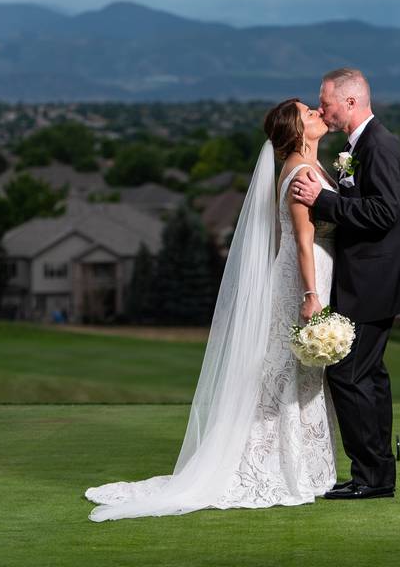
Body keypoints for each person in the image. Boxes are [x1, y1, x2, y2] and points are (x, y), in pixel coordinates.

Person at [84, 98, 339, 521]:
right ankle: (281, 467)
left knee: (298, 369)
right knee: (285, 370)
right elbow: (301, 238)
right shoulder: (301, 173)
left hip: (312, 275)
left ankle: (307, 466)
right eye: (308, 112)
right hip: (303, 280)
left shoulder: (307, 167)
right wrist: (311, 295)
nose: (316, 112)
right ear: (296, 130)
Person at [291, 68, 400, 499]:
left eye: (325, 100)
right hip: (370, 279)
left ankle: (371, 477)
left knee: (348, 375)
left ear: (349, 102)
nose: (322, 107)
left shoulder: (379, 146)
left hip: (374, 281)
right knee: (368, 376)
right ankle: (375, 474)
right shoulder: (361, 145)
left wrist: (324, 201)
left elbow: (384, 213)